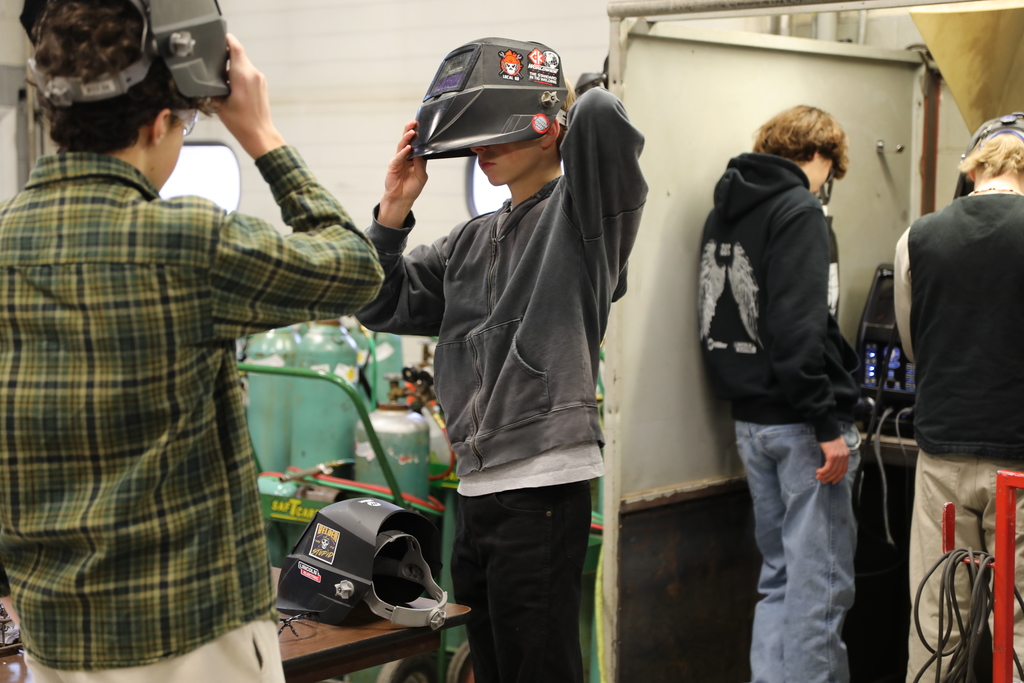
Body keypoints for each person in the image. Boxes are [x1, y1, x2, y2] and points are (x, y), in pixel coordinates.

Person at [0, 1, 384, 680]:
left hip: (54, 641)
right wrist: (260, 132)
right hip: (194, 642)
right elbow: (356, 268)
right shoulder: (185, 243)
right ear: (157, 125)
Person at [356, 38, 647, 683]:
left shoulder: (582, 222)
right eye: (470, 137)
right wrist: (394, 209)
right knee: (493, 665)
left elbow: (602, 119)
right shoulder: (468, 241)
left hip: (543, 482)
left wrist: (558, 101)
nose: (481, 149)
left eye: (494, 132)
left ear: (546, 129)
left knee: (538, 668)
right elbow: (378, 303)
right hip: (478, 487)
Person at [697, 105, 861, 683]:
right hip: (802, 426)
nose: (827, 184)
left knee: (780, 578)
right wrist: (826, 426)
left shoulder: (726, 210)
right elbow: (797, 332)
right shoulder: (799, 210)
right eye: (831, 172)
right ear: (820, 157)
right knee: (820, 591)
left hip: (750, 420)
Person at [895, 117, 1024, 681]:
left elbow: (911, 341)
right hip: (1019, 462)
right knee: (1018, 627)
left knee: (937, 619)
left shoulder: (917, 236)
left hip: (941, 452)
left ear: (971, 170)